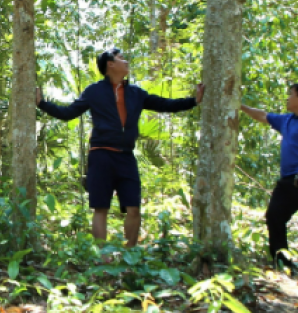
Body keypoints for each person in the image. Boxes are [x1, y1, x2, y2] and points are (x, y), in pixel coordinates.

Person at [36, 48, 204, 248]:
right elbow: (68, 113)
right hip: (100, 155)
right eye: (121, 58)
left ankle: (129, 253)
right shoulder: (94, 91)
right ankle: (103, 257)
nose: (126, 61)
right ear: (110, 64)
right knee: (101, 208)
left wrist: (194, 101)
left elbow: (165, 104)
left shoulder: (135, 93)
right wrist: (42, 104)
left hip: (126, 157)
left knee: (133, 207)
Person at [241, 83, 298, 284]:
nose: (287, 98)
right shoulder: (287, 120)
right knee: (274, 216)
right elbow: (263, 115)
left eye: (291, 95)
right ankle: (282, 261)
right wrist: (241, 106)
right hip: (287, 180)